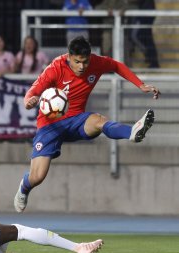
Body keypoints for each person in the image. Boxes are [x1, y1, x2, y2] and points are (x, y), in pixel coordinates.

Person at [13, 36, 161, 213]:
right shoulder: (55, 68)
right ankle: (24, 187)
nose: (82, 66)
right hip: (50, 126)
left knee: (98, 120)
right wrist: (29, 101)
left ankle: (132, 132)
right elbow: (32, 92)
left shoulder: (95, 63)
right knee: (38, 176)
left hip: (77, 120)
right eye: (77, 62)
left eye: (85, 62)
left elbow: (116, 65)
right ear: (69, 57)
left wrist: (141, 84)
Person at [129, 0, 159, 68]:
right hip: (143, 14)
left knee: (145, 38)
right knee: (139, 37)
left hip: (146, 14)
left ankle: (152, 60)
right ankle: (150, 57)